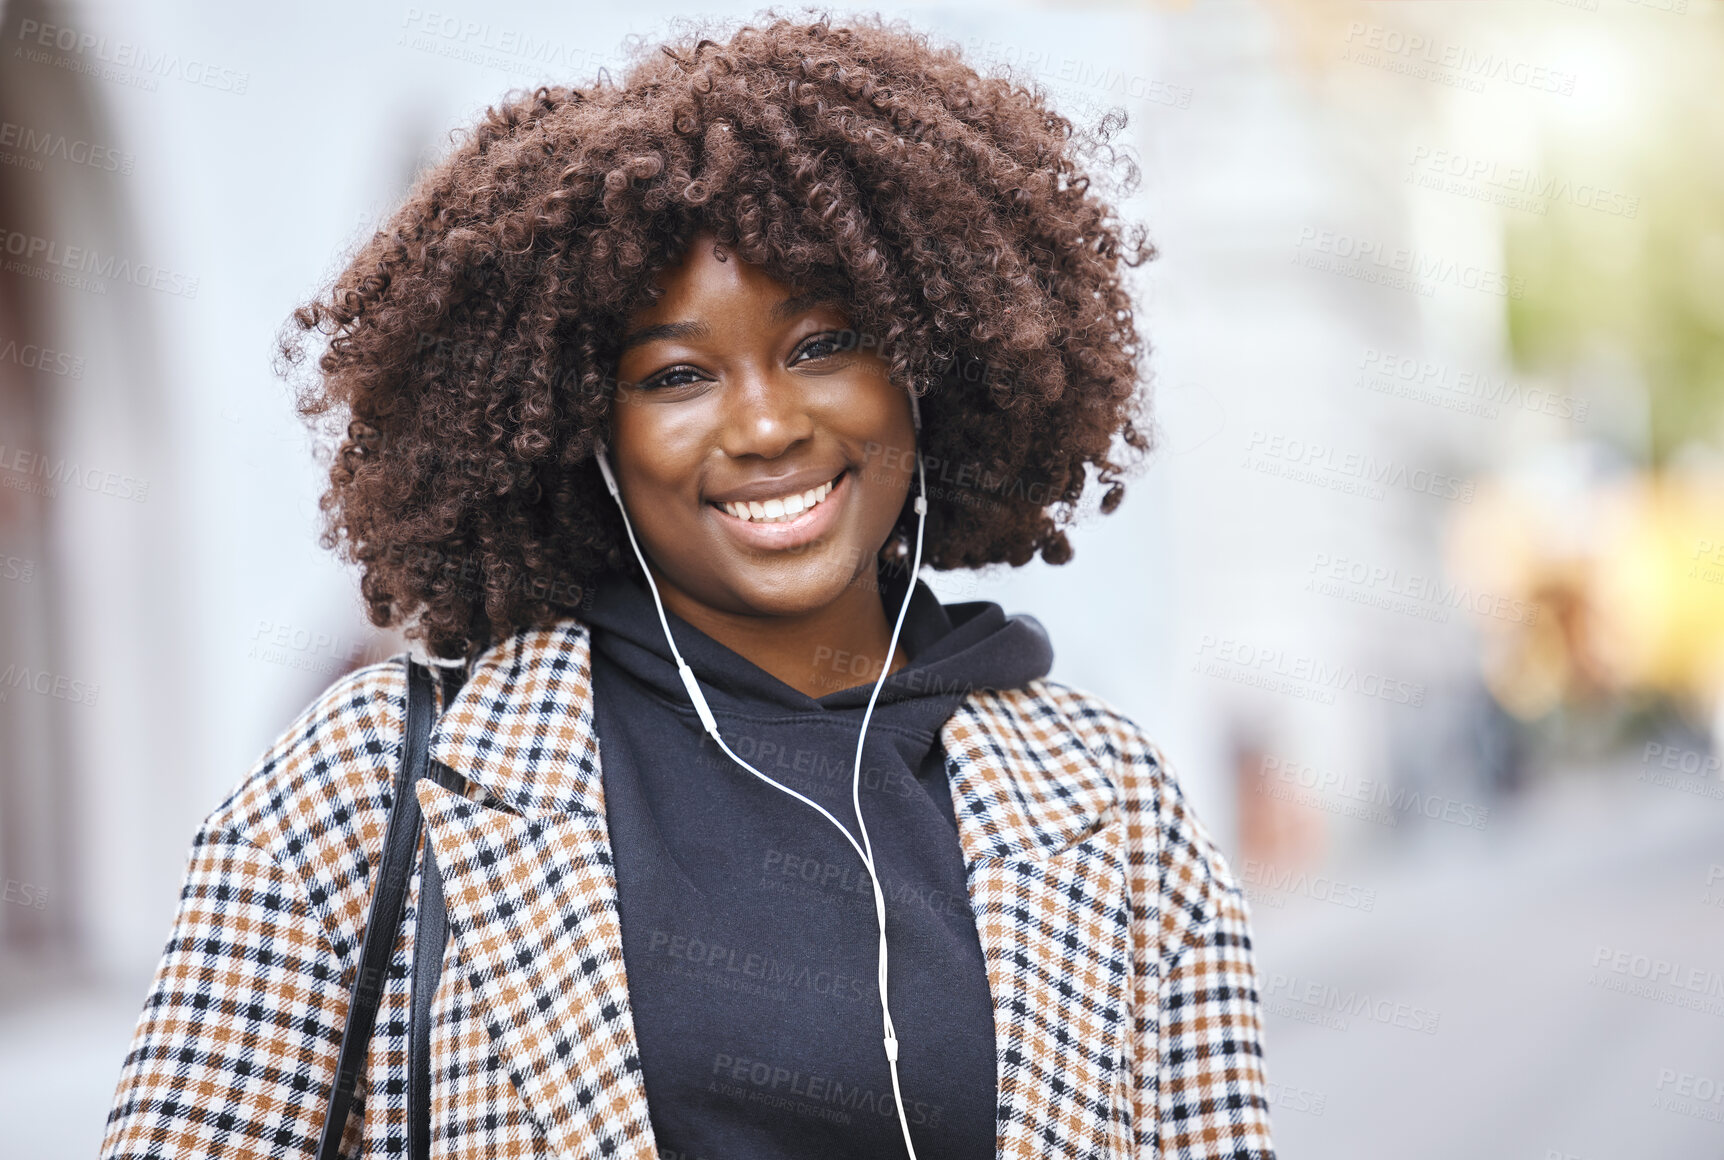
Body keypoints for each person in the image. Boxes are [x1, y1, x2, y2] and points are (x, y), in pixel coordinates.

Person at [101, 14, 1276, 1159]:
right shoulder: (366, 785)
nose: (766, 424)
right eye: (674, 374)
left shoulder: (1119, 810)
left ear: (924, 360)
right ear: (586, 431)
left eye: (820, 345)